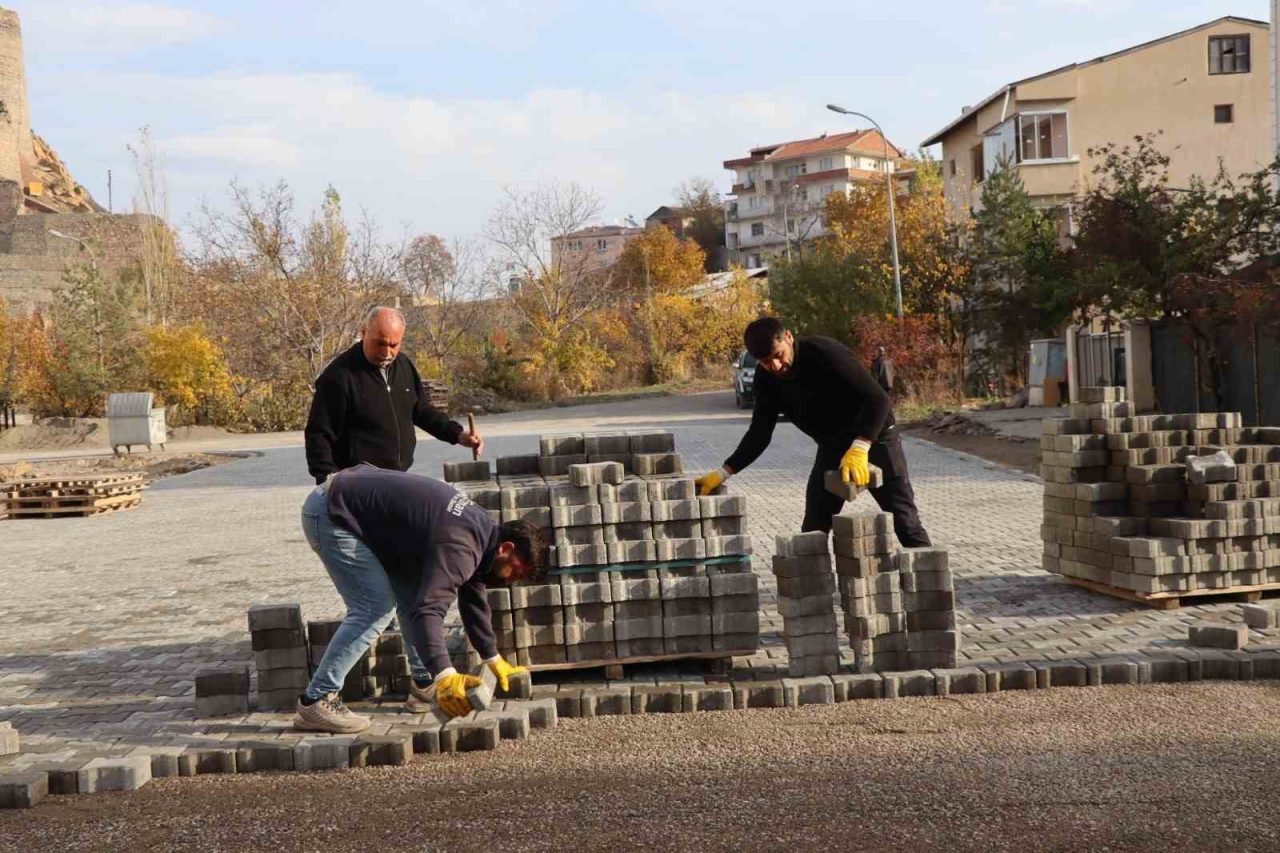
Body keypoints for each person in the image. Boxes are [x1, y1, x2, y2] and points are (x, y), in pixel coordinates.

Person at [293, 464, 550, 733]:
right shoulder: (461, 545)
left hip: (353, 503)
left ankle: (424, 683)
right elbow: (429, 610)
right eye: (516, 573)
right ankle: (317, 700)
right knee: (374, 608)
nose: (510, 581)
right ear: (506, 549)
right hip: (332, 512)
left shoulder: (483, 533)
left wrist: (491, 656)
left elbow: (473, 599)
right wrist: (446, 675)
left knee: (411, 592)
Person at [695, 317, 930, 545]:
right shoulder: (766, 381)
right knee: (812, 532)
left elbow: (879, 400)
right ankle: (813, 584)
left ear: (788, 337)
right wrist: (724, 472)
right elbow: (759, 434)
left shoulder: (825, 353)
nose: (775, 366)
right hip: (832, 448)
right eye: (766, 362)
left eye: (778, 356)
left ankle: (932, 582)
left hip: (876, 439)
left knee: (906, 525)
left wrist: (860, 447)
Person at [305, 306, 483, 485]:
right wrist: (327, 481)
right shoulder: (339, 376)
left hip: (398, 478)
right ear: (364, 332)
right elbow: (319, 434)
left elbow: (421, 411)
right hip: (357, 484)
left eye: (393, 345)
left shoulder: (404, 365)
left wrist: (458, 434)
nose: (386, 353)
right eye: (380, 344)